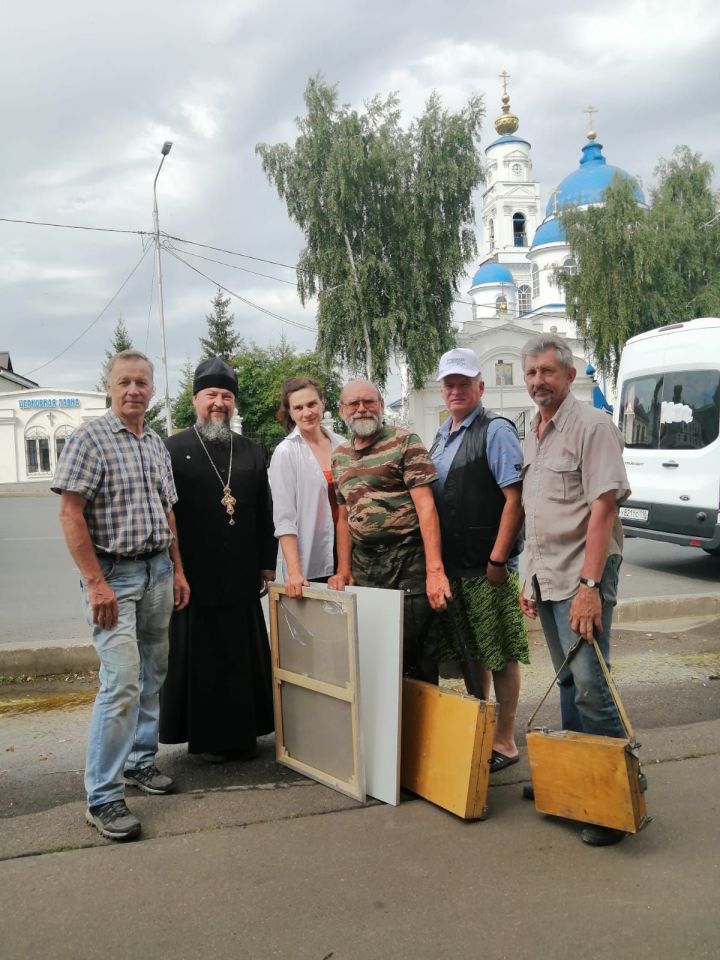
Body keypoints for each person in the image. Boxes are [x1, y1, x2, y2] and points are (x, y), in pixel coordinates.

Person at [53, 350, 190, 842]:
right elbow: (70, 513)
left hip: (156, 570)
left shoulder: (154, 442)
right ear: (109, 385)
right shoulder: (89, 439)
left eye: (142, 383)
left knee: (153, 673)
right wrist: (94, 582)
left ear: (152, 390)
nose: (134, 390)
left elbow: (167, 512)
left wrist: (177, 570)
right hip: (113, 578)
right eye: (124, 381)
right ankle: (104, 798)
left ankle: (139, 762)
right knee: (121, 683)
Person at [519, 334, 631, 846]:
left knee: (590, 682)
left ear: (568, 375)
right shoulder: (532, 429)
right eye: (531, 373)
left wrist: (589, 586)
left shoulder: (593, 426)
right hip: (547, 575)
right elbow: (534, 509)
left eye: (547, 371)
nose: (538, 381)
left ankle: (610, 799)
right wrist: (527, 575)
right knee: (566, 682)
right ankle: (571, 781)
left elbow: (603, 510)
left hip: (582, 574)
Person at [159, 357, 277, 764]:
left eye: (226, 396)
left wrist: (267, 561)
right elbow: (165, 511)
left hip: (242, 570)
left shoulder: (250, 451)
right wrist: (175, 570)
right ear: (195, 400)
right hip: (196, 572)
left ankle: (244, 735)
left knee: (241, 654)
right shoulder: (172, 449)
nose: (219, 403)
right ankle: (206, 737)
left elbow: (264, 508)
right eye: (211, 395)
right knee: (202, 655)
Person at [429, 348, 529, 772]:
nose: (456, 390)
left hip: (488, 568)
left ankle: (505, 741)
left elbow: (515, 499)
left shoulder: (496, 430)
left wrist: (498, 558)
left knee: (500, 653)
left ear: (480, 387)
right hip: (456, 567)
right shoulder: (442, 434)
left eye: (464, 383)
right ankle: (482, 727)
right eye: (449, 384)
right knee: (472, 653)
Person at [328, 380, 452, 678]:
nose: (362, 409)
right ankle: (383, 725)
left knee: (415, 660)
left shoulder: (405, 442)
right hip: (366, 569)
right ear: (341, 410)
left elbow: (426, 508)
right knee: (374, 659)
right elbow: (344, 517)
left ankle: (418, 725)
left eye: (369, 402)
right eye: (354, 403)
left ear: (382, 405)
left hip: (408, 564)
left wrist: (435, 572)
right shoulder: (339, 455)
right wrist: (343, 570)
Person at [268, 377, 345, 597]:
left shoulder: (342, 445)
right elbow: (284, 517)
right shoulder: (286, 452)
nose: (307, 412)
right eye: (298, 407)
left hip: (346, 553)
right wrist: (295, 572)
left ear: (322, 402)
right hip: (309, 557)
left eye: (311, 404)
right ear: (290, 413)